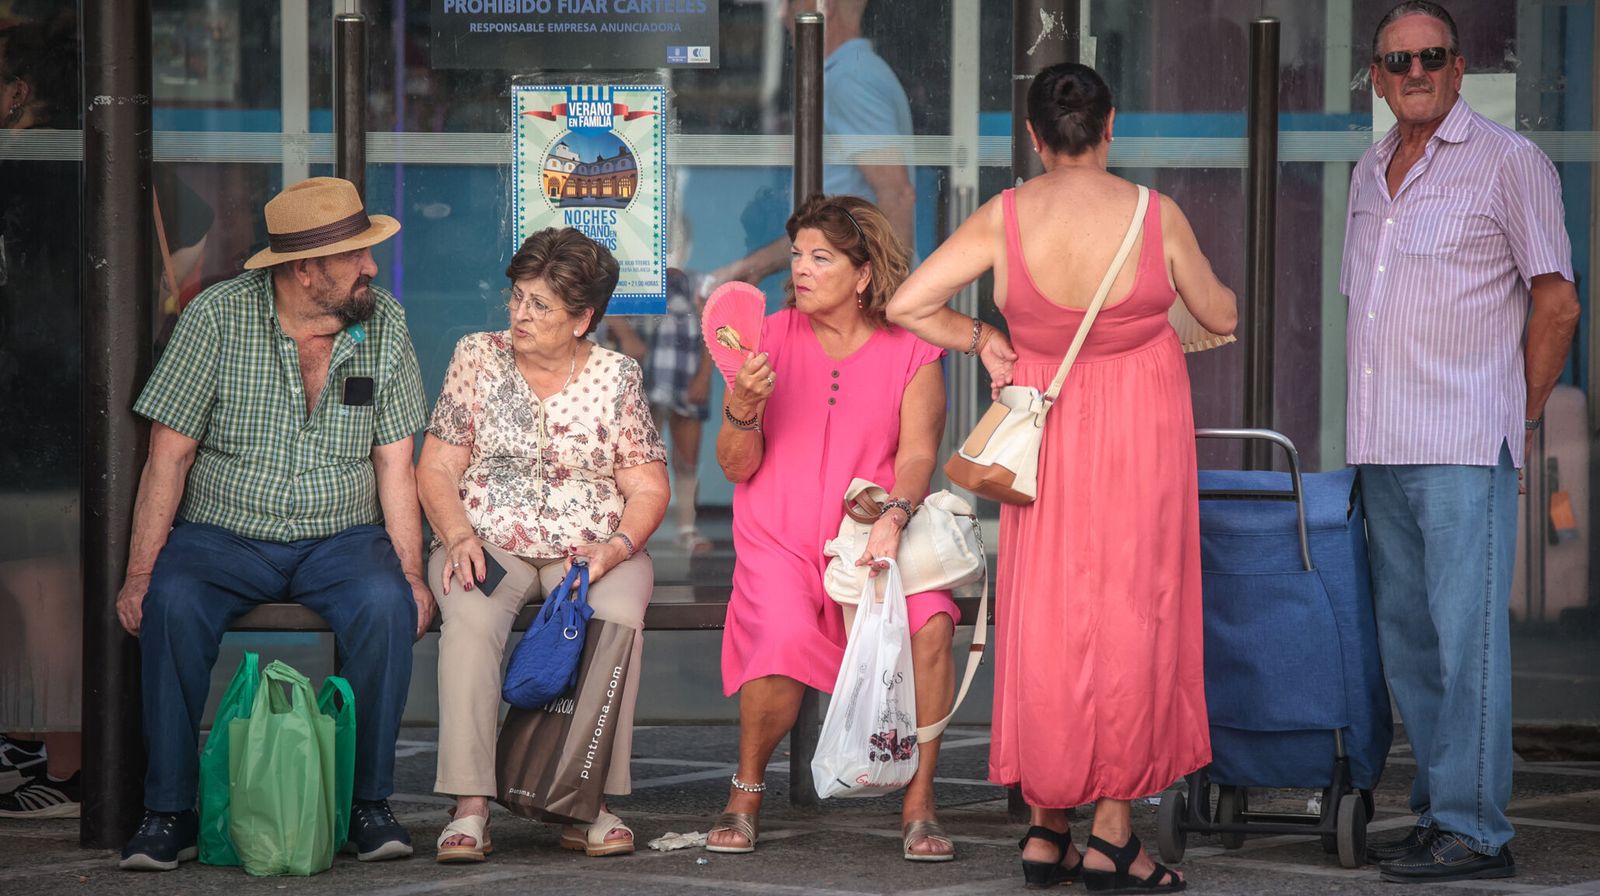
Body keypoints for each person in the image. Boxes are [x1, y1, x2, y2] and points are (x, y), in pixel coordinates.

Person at [887, 62, 1236, 891]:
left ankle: (1046, 829)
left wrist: (985, 339)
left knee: (1051, 616)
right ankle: (1113, 833)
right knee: (1132, 614)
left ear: (1036, 139)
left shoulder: (1006, 216)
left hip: (1043, 436)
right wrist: (1160, 308)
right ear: (1111, 127)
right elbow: (1220, 313)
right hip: (1143, 435)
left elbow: (907, 303)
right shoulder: (1156, 214)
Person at [114, 177, 433, 871]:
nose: (373, 268)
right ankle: (169, 810)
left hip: (342, 537)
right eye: (357, 257)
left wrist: (412, 574)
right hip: (224, 533)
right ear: (304, 269)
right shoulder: (216, 318)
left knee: (386, 606)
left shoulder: (386, 323)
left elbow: (395, 463)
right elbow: (168, 457)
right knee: (170, 602)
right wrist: (141, 572)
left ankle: (367, 804)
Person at [1342, 2, 1580, 884]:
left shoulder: (1510, 164)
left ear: (1460, 66)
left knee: (1465, 642)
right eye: (1397, 61)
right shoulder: (1372, 171)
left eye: (1430, 57)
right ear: (1376, 76)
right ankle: (1442, 812)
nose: (1414, 72)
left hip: (1462, 445)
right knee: (1409, 642)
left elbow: (1557, 303)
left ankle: (1478, 831)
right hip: (1383, 446)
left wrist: (1513, 416)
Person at [707, 195, 959, 862]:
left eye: (821, 257)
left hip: (874, 541)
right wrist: (741, 410)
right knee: (783, 632)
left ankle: (920, 800)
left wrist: (896, 518)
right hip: (778, 540)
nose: (801, 269)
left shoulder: (915, 350)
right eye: (796, 255)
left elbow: (917, 456)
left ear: (864, 273)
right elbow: (736, 467)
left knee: (932, 623)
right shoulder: (768, 338)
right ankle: (746, 790)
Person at [417, 227, 669, 864]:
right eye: (517, 297)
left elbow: (647, 485)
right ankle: (471, 804)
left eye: (540, 305)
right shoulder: (477, 356)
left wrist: (614, 548)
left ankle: (588, 801)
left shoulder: (617, 376)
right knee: (469, 621)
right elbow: (437, 467)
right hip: (489, 539)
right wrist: (457, 535)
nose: (519, 314)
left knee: (614, 618)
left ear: (584, 318)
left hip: (588, 546)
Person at [0, 10, 85, 821]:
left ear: (19, 91)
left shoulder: (27, 167)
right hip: (75, 387)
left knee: (42, 579)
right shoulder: (103, 163)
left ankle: (66, 768)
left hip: (35, 394)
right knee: (37, 578)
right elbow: (196, 230)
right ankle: (36, 741)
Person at [710, 0, 914, 286]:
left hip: (854, 304)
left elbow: (897, 195)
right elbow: (826, 229)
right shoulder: (848, 75)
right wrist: (752, 267)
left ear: (825, 6)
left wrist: (886, 301)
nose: (782, 13)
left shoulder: (851, 81)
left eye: (791, 1)